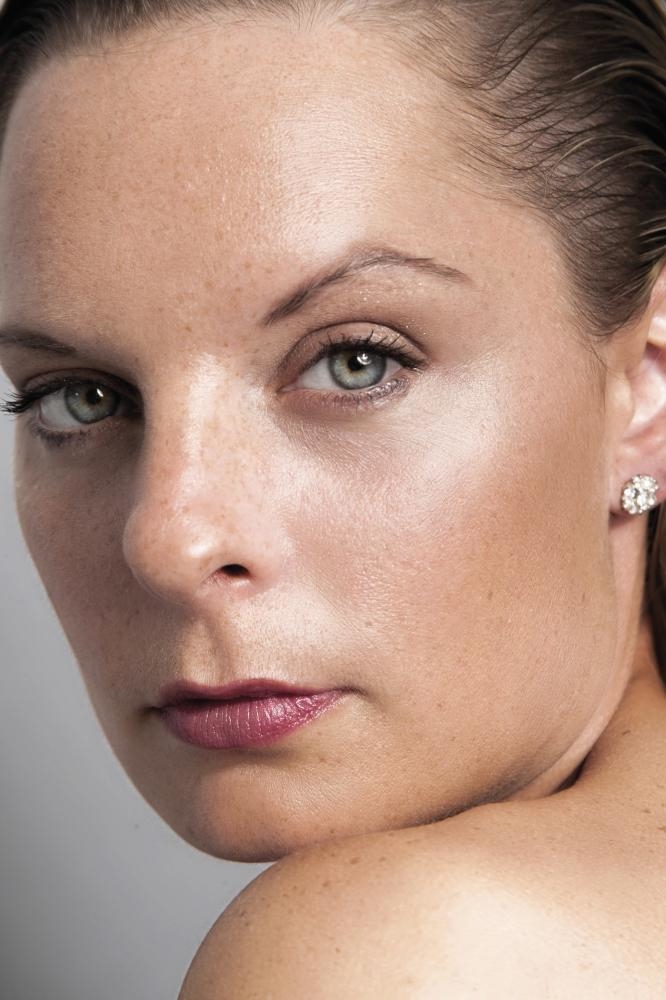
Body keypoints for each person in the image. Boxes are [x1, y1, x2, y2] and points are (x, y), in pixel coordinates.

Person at [0, 0, 665, 995]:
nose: (170, 539)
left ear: (646, 389)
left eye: (355, 361)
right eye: (79, 397)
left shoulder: (397, 952)